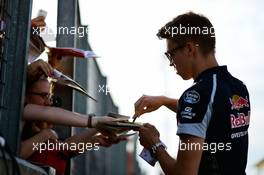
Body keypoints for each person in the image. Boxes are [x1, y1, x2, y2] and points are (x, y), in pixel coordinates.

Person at [133, 12, 250, 175]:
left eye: (171, 54)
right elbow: (211, 113)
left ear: (189, 48)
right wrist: (164, 101)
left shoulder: (196, 95)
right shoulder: (239, 87)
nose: (171, 63)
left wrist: (154, 143)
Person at [21, 78, 124, 175]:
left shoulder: (40, 129)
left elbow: (66, 149)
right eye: (43, 96)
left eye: (49, 96)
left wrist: (97, 140)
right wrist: (45, 135)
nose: (48, 103)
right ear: (25, 95)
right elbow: (17, 154)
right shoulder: (21, 122)